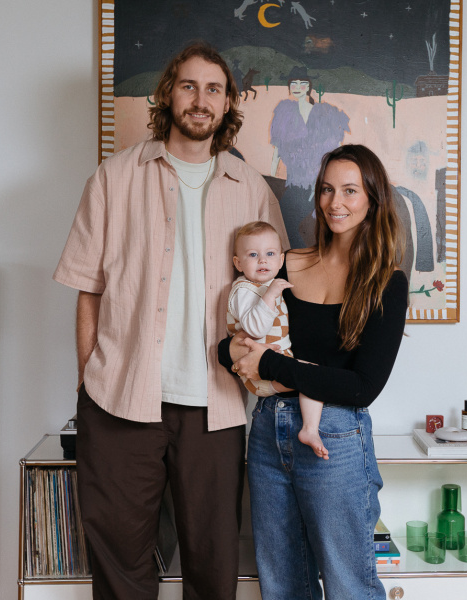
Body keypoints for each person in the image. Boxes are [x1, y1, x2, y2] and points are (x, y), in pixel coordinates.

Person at [53, 41, 287, 600]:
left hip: (218, 406)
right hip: (120, 402)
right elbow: (89, 291)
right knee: (121, 564)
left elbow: (277, 290)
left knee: (213, 566)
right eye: (189, 85)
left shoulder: (250, 188)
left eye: (214, 89)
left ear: (228, 103)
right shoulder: (113, 178)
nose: (200, 99)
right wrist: (88, 381)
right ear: (167, 93)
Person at [220, 144, 408, 599]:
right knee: (282, 583)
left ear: (372, 198)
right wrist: (235, 351)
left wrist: (268, 364)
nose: (335, 202)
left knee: (349, 586)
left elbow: (362, 387)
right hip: (267, 433)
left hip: (336, 439)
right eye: (327, 189)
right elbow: (236, 342)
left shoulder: (387, 281)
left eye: (349, 190)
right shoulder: (284, 263)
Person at [227, 220, 327, 459]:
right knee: (313, 376)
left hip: (274, 366)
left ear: (281, 261)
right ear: (238, 263)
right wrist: (271, 294)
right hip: (258, 375)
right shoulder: (244, 289)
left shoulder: (268, 285)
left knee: (312, 376)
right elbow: (253, 328)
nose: (263, 260)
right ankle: (310, 429)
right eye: (253, 255)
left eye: (270, 254)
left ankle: (310, 429)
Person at [270, 66, 350, 246]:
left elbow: (335, 149)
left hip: (318, 182)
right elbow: (277, 147)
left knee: (284, 220)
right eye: (294, 83)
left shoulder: (324, 113)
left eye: (302, 83)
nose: (298, 86)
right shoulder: (284, 111)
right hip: (294, 180)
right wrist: (272, 173)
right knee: (279, 220)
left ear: (308, 87)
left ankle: (301, 257)